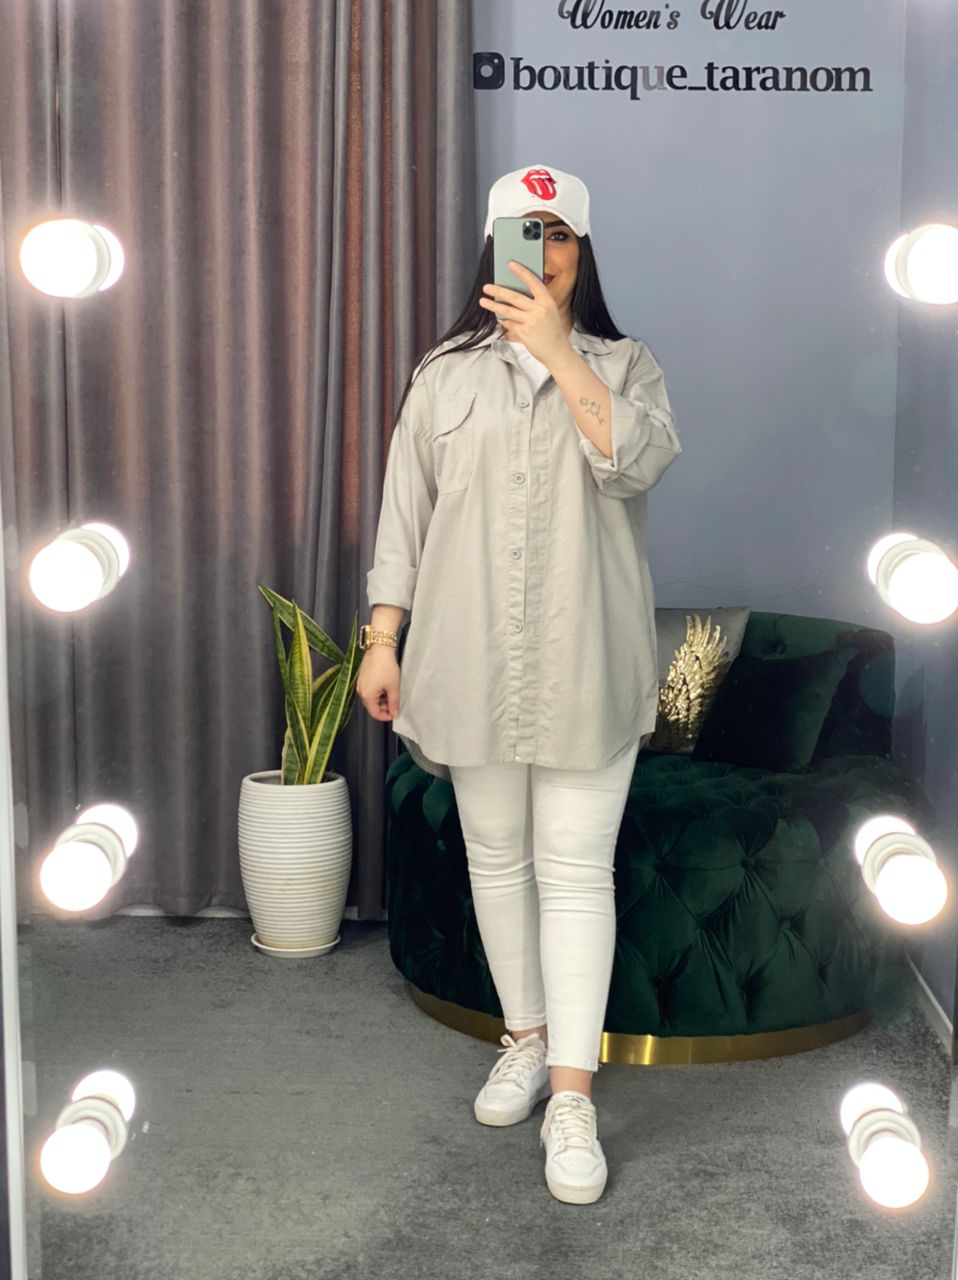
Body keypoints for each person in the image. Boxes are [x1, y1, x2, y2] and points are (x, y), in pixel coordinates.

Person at [357, 163, 683, 1205]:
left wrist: (555, 350)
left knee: (576, 869)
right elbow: (405, 512)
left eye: (560, 234)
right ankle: (527, 1040)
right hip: (466, 656)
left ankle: (573, 1097)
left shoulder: (626, 365)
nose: (543, 254)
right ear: (492, 247)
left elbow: (636, 462)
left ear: (583, 252)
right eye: (523, 233)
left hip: (588, 658)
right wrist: (381, 637)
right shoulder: (443, 375)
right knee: (495, 859)